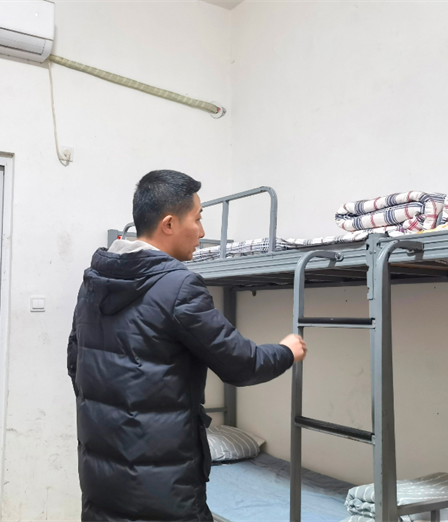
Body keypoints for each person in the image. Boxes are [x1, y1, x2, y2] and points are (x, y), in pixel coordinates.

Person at [67, 170, 307, 521]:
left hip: (101, 471)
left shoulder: (94, 282)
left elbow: (75, 363)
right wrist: (287, 351)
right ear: (169, 224)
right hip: (160, 482)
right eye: (197, 218)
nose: (202, 232)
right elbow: (242, 364)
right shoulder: (179, 287)